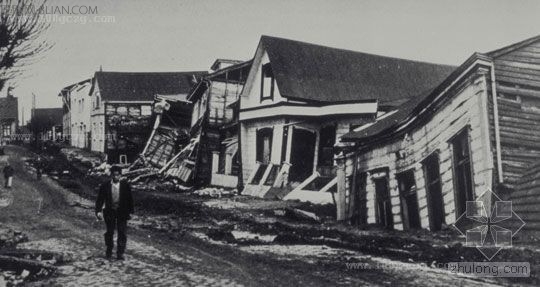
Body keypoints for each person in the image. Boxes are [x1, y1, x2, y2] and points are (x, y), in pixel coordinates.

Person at [95, 165, 134, 260]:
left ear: (120, 175)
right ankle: (109, 249)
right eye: (114, 175)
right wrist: (98, 211)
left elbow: (130, 199)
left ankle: (120, 253)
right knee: (110, 232)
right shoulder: (105, 185)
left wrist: (131, 211)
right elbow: (100, 199)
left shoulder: (125, 185)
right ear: (111, 175)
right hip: (110, 211)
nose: (115, 177)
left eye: (117, 175)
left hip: (122, 212)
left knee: (122, 232)